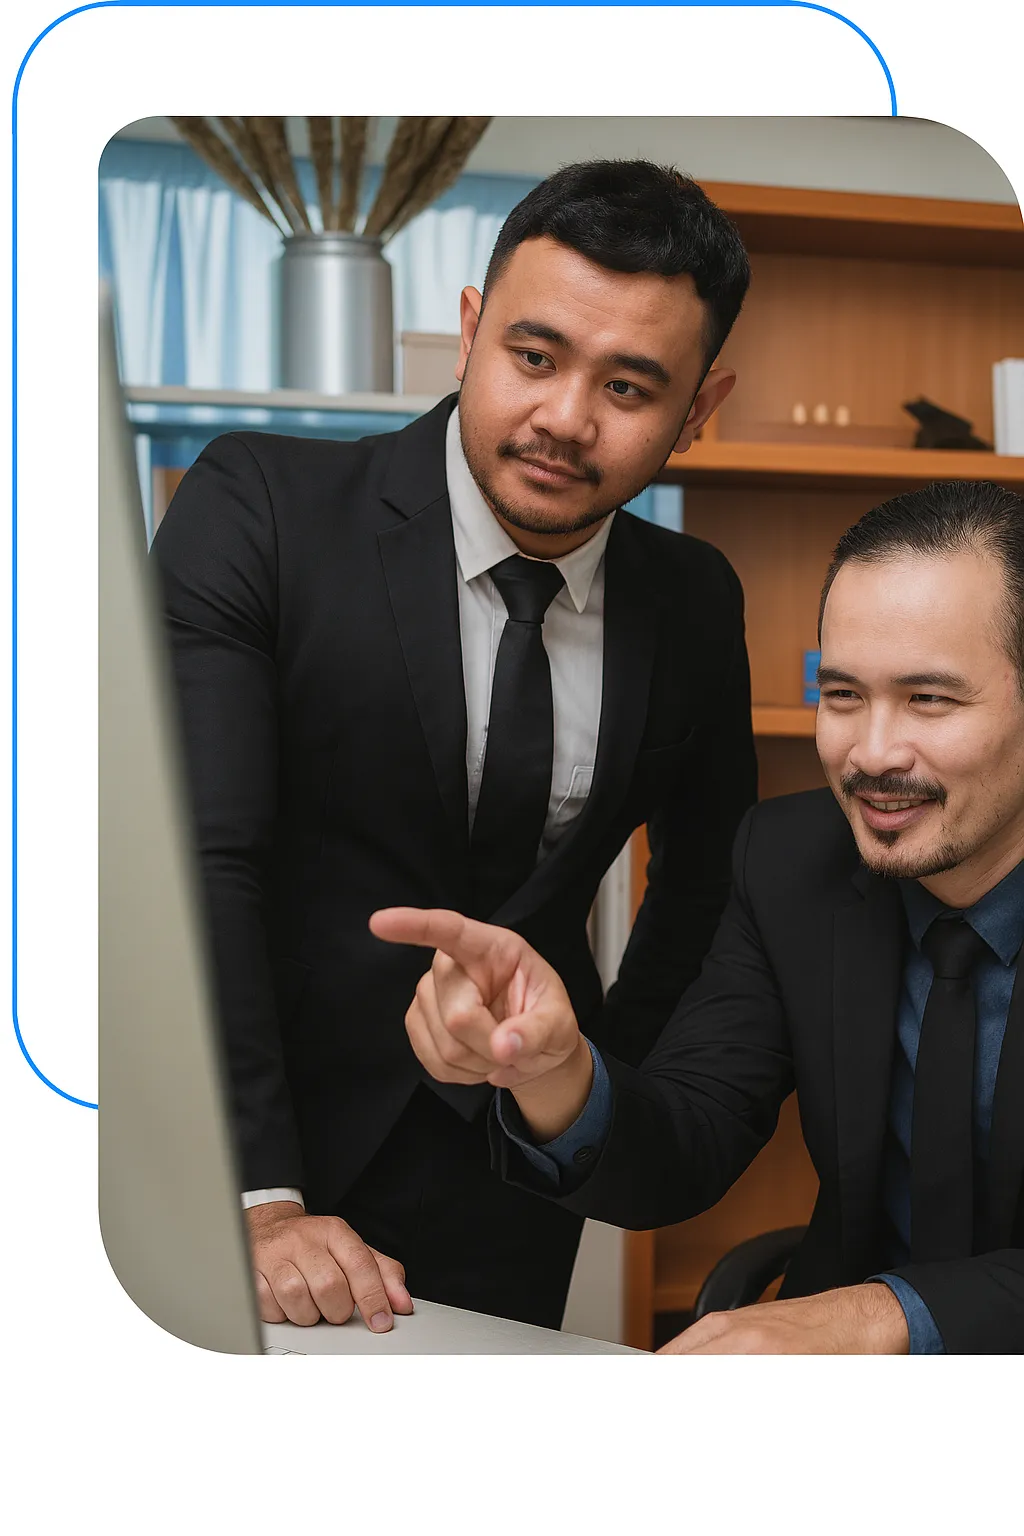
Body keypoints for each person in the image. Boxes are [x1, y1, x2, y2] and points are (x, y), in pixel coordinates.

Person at [152, 159, 757, 1332]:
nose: (565, 420)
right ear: (471, 332)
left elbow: (704, 889)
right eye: (534, 357)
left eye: (630, 387)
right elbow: (195, 857)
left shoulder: (694, 598)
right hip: (247, 1143)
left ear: (698, 409)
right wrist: (258, 1196)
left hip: (503, 1182)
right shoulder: (261, 507)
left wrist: (587, 1091)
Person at [373, 479, 1024, 1353]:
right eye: (841, 696)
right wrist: (554, 1072)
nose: (871, 754)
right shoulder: (792, 861)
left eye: (930, 700)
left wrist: (878, 1318)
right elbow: (686, 1142)